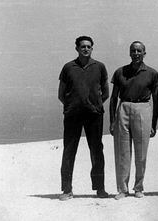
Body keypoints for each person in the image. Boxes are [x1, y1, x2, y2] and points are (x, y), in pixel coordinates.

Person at [58, 36, 109, 201]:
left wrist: (95, 105)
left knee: (96, 150)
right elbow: (61, 94)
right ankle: (67, 189)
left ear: (92, 48)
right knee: (68, 151)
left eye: (88, 46)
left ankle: (100, 188)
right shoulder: (68, 67)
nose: (85, 49)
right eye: (82, 47)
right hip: (73, 115)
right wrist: (72, 106)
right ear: (77, 49)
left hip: (94, 115)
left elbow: (106, 92)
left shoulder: (99, 67)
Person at [109, 41, 158, 200]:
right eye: (133, 50)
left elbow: (156, 100)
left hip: (143, 109)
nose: (136, 53)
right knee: (122, 152)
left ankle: (138, 187)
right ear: (129, 53)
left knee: (141, 152)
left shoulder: (152, 73)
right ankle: (122, 189)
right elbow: (113, 98)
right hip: (123, 108)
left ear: (144, 53)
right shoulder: (120, 72)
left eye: (139, 50)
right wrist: (112, 121)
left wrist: (153, 124)